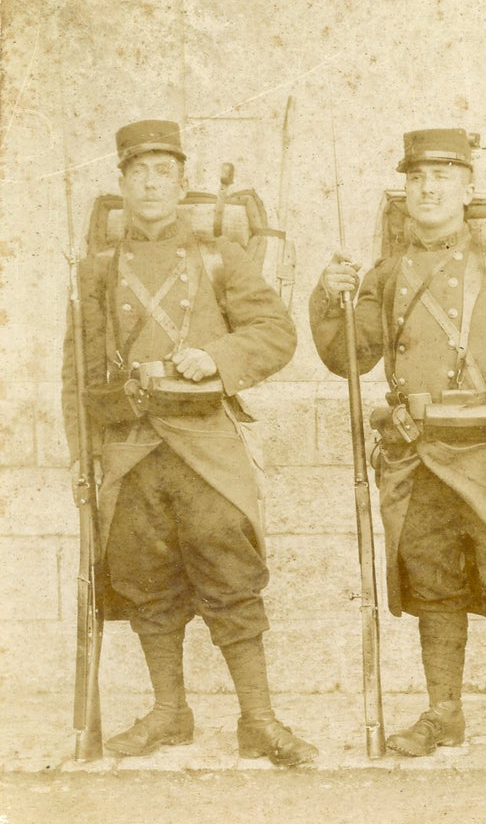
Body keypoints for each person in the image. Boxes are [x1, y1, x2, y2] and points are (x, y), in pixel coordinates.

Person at [310, 128, 486, 777]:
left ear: (466, 189)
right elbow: (351, 357)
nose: (428, 189)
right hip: (417, 456)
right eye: (418, 178)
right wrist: (328, 295)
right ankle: (443, 711)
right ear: (406, 189)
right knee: (434, 587)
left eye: (443, 178)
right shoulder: (386, 274)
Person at [62, 120, 315, 766]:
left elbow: (275, 333)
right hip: (129, 448)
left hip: (205, 445)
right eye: (138, 172)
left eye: (164, 172)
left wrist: (220, 356)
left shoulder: (218, 257)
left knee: (231, 573)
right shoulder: (94, 271)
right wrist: (80, 457)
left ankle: (258, 718)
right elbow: (79, 371)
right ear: (121, 183)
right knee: (147, 584)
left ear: (181, 183)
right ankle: (170, 712)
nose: (151, 184)